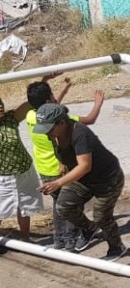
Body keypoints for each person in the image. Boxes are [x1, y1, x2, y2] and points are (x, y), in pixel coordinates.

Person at [34, 103, 126, 261]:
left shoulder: (80, 133)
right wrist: (63, 164)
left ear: (61, 123)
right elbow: (67, 155)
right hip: (83, 180)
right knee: (63, 206)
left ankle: (116, 246)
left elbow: (84, 166)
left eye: (49, 128)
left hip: (107, 179)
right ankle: (90, 229)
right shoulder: (54, 135)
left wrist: (58, 183)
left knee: (101, 216)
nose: (46, 133)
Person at [25, 75, 105, 250]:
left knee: (57, 205)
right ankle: (71, 240)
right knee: (69, 204)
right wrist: (98, 103)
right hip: (62, 169)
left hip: (44, 169)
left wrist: (62, 90)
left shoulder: (31, 116)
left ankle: (59, 240)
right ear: (48, 99)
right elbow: (89, 119)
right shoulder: (63, 122)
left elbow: (49, 109)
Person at [0, 97, 43, 241]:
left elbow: (30, 102)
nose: (0, 106)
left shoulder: (10, 119)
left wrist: (43, 80)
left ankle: (25, 239)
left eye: (1, 102)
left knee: (25, 206)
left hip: (24, 171)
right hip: (3, 177)